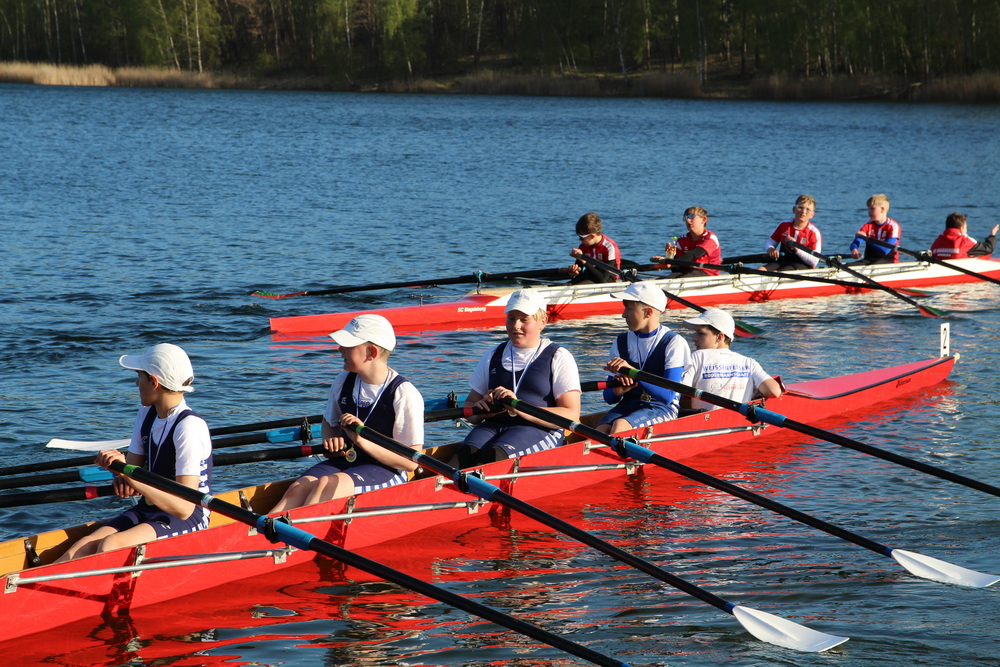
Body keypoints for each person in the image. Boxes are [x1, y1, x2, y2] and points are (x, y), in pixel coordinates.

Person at [55, 344, 213, 562]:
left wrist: (127, 473)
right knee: (82, 546)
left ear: (154, 382)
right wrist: (119, 471)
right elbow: (133, 472)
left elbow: (184, 507)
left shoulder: (189, 427)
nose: (136, 383)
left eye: (139, 377)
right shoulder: (146, 413)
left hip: (188, 516)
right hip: (149, 507)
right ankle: (26, 585)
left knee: (111, 545)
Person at [268, 315, 424, 513]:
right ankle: (260, 529)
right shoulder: (344, 380)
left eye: (348, 345)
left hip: (388, 469)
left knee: (330, 485)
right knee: (297, 489)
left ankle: (296, 531)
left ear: (371, 352)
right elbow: (329, 421)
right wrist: (330, 441)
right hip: (347, 460)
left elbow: (410, 462)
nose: (339, 349)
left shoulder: (404, 393)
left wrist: (361, 441)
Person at [448, 289, 581, 469]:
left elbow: (572, 415)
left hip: (540, 430)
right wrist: (481, 411)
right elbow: (470, 406)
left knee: (490, 461)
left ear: (543, 322)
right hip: (492, 426)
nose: (516, 326)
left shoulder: (558, 357)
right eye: (511, 318)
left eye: (524, 319)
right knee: (455, 464)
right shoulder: (493, 354)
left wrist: (519, 407)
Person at [597, 281, 691, 435]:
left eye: (628, 308)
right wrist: (617, 390)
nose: (623, 314)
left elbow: (667, 396)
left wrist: (633, 373)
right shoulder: (620, 342)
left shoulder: (673, 343)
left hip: (662, 408)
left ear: (648, 312)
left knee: (620, 426)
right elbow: (609, 399)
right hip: (629, 403)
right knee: (600, 432)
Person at [680, 308, 782, 412]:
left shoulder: (698, 356)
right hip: (739, 419)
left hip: (705, 420)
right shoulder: (748, 362)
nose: (694, 338)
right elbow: (774, 391)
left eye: (701, 333)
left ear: (720, 337)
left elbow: (678, 392)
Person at [651, 206, 722, 277]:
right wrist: (670, 257)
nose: (688, 220)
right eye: (686, 217)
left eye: (692, 216)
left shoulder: (710, 238)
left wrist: (669, 262)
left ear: (703, 219)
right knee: (665, 280)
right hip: (687, 271)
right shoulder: (682, 240)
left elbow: (693, 255)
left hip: (707, 273)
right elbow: (676, 268)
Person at [763, 195, 822, 271]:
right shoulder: (784, 225)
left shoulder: (814, 232)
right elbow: (769, 243)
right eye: (800, 207)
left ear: (812, 215)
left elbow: (814, 262)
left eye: (807, 209)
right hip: (783, 260)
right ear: (794, 209)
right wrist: (771, 249)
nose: (803, 212)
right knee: (760, 270)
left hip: (802, 264)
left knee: (775, 273)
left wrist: (796, 248)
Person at [567, 211, 621, 284]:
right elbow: (579, 272)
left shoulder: (609, 247)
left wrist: (584, 260)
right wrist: (574, 272)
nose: (580, 240)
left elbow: (603, 279)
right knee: (567, 284)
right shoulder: (583, 246)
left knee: (576, 285)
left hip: (607, 279)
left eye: (581, 237)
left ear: (592, 236)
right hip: (590, 276)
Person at [849, 193, 901, 264]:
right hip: (870, 259)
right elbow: (856, 242)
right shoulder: (867, 225)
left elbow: (885, 250)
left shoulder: (893, 226)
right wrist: (854, 249)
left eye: (872, 208)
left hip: (889, 261)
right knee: (847, 266)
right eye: (868, 208)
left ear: (882, 209)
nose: (869, 211)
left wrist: (867, 239)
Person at [930, 212, 998, 259]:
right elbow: (988, 248)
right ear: (961, 228)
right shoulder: (964, 240)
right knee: (982, 254)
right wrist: (992, 235)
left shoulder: (937, 241)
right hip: (958, 271)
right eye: (966, 227)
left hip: (942, 270)